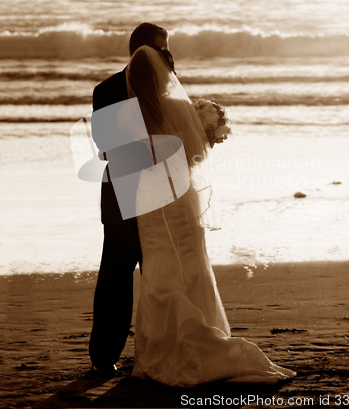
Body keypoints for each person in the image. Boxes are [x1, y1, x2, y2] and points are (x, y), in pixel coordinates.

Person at [119, 44, 296, 385]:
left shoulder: (122, 114)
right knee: (192, 262)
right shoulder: (180, 107)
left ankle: (165, 344)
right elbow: (195, 156)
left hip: (148, 200)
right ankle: (202, 334)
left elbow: (118, 162)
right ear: (163, 76)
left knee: (158, 266)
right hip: (180, 198)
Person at [89, 23, 170, 373]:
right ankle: (104, 357)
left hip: (156, 195)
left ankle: (155, 354)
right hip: (125, 192)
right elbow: (106, 148)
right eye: (160, 50)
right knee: (116, 275)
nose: (166, 56)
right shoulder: (107, 90)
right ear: (141, 51)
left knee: (158, 276)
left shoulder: (166, 90)